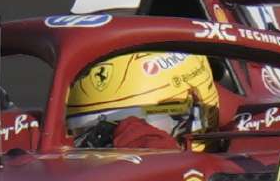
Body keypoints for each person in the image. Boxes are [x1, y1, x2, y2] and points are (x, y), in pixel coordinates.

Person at [65, 51, 220, 149]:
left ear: (196, 114)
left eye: (141, 121)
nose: (114, 140)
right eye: (88, 129)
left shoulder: (238, 162)